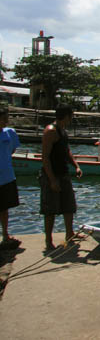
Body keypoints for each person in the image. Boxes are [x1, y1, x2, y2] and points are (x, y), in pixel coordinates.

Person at [41, 104, 83, 251]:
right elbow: (45, 158)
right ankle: (48, 240)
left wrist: (76, 166)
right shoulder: (50, 131)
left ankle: (69, 234)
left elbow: (67, 151)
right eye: (71, 116)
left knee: (69, 206)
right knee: (50, 209)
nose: (72, 118)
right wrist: (52, 180)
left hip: (64, 173)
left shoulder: (62, 131)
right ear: (66, 116)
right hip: (52, 175)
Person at [0, 103, 22, 250]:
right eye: (3, 119)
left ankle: (5, 234)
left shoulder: (10, 133)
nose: (5, 121)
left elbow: (12, 150)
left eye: (6, 119)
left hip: (7, 176)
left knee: (5, 207)